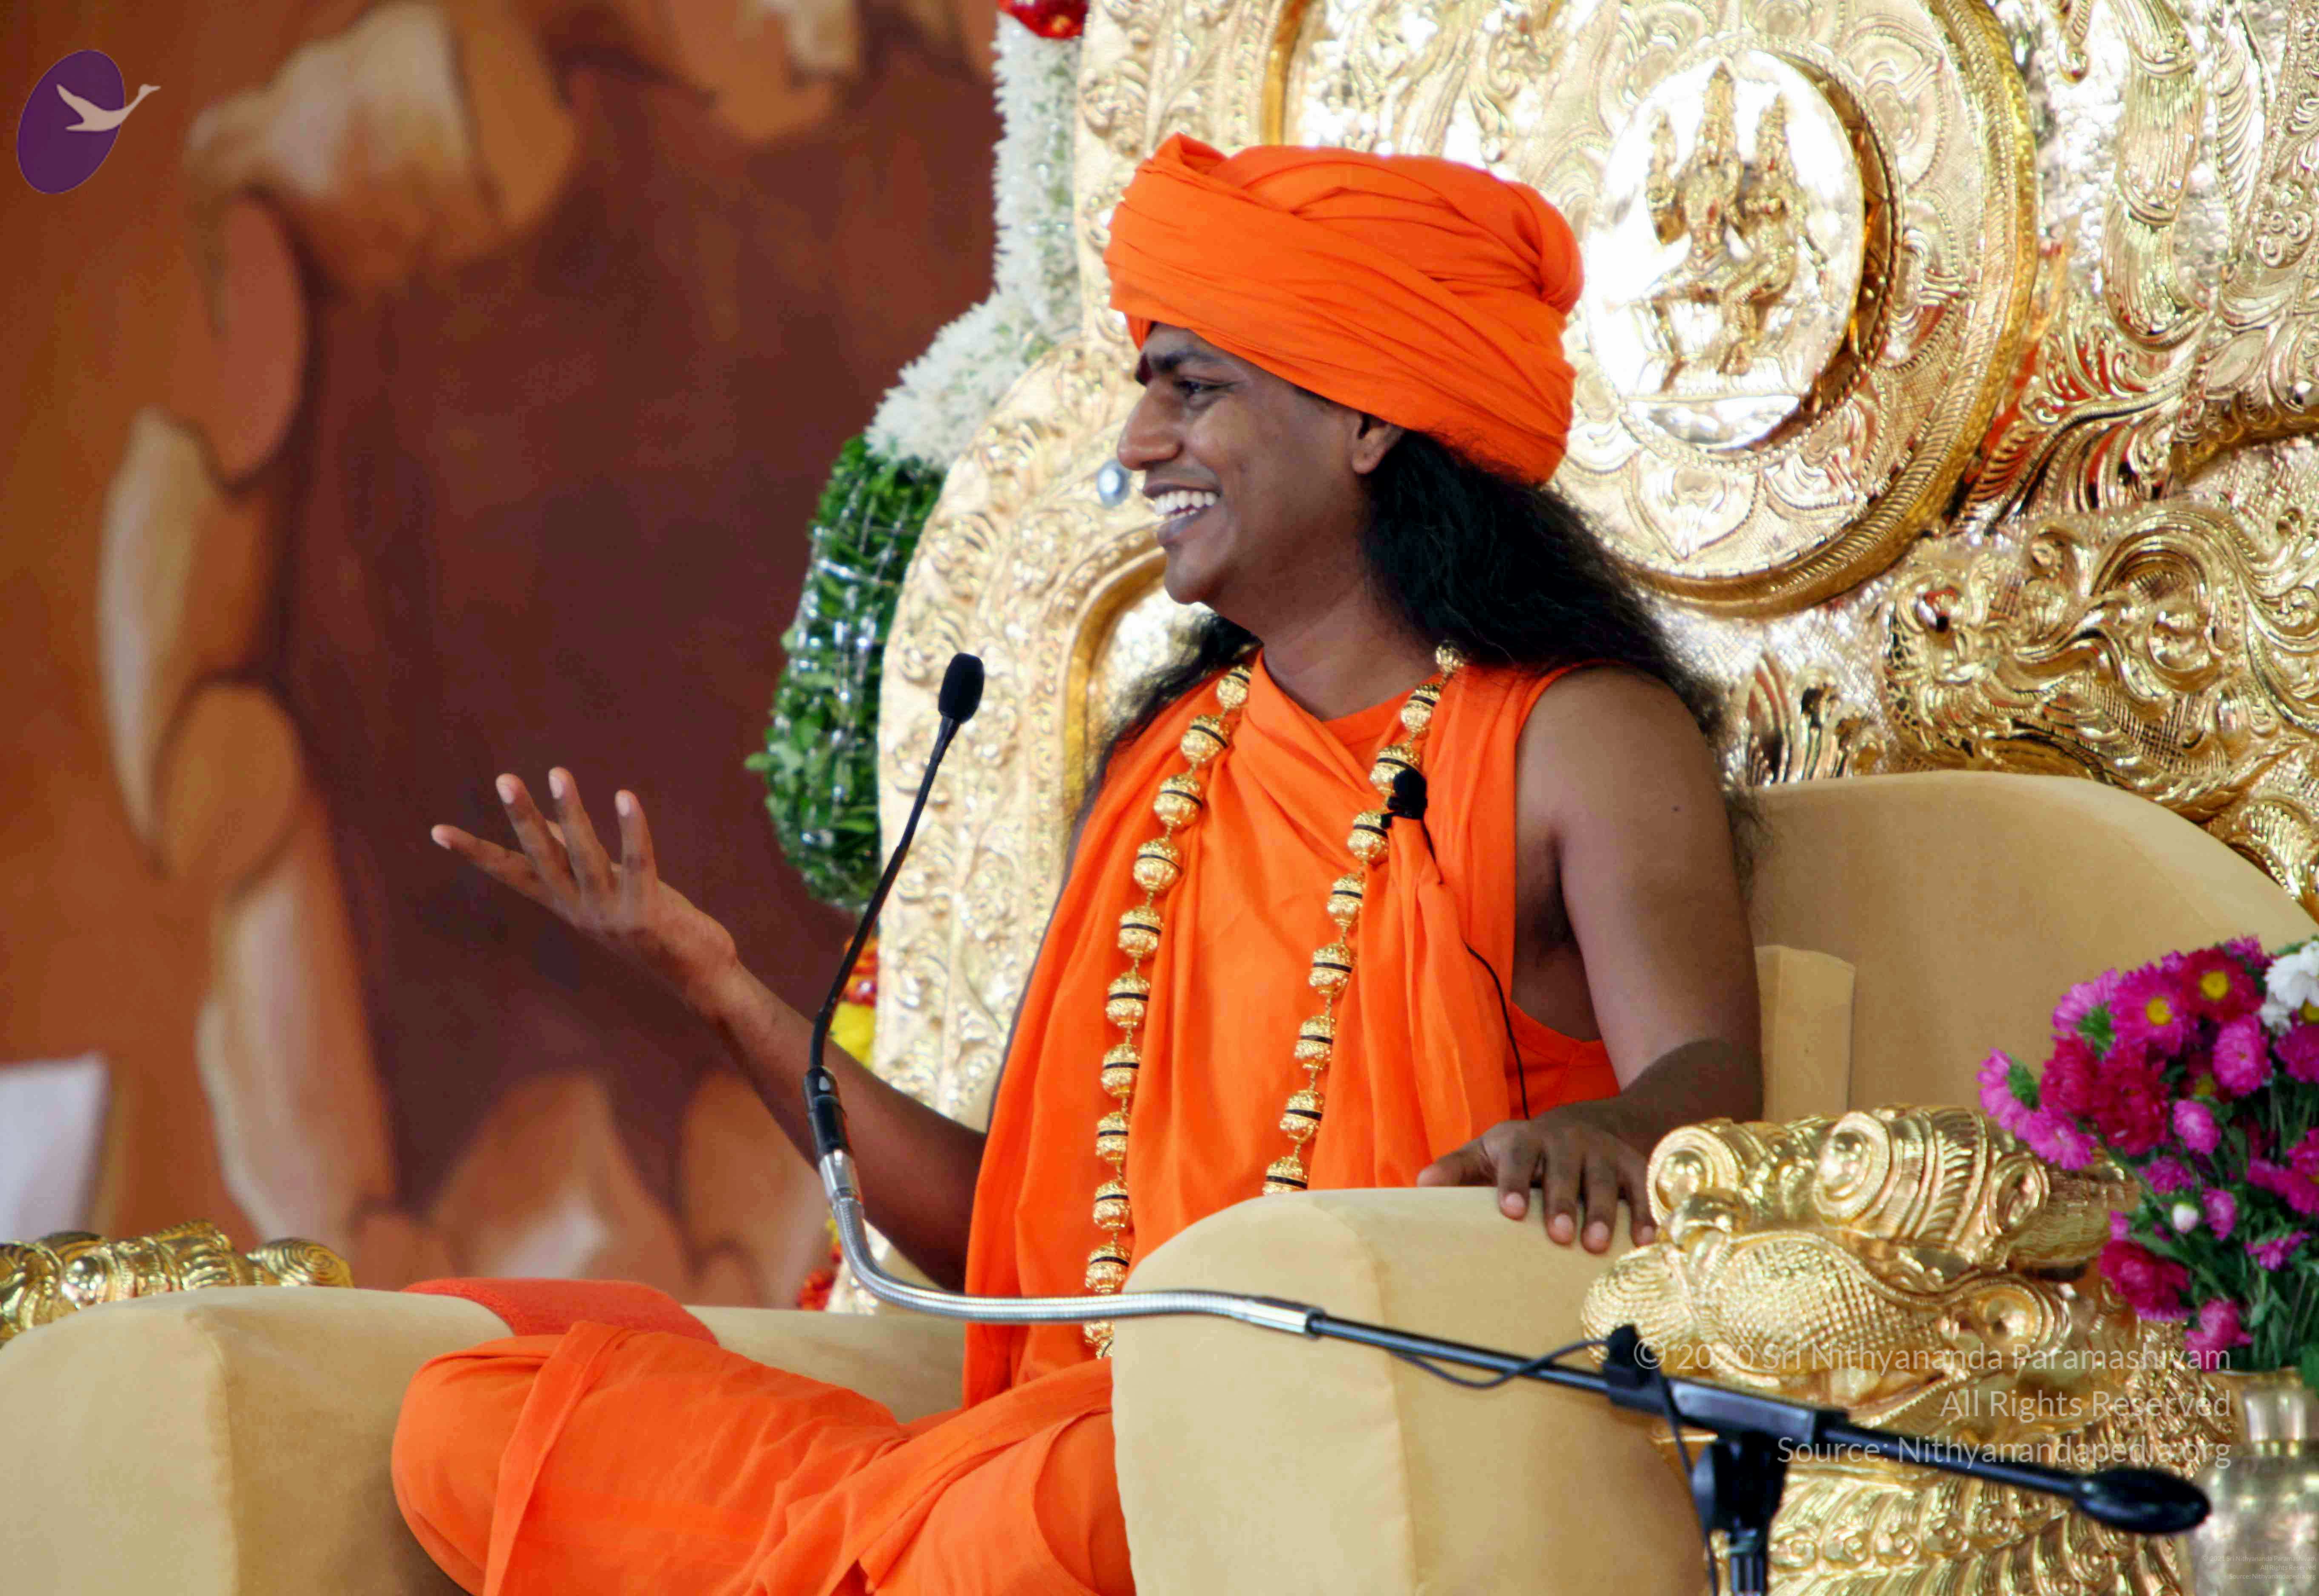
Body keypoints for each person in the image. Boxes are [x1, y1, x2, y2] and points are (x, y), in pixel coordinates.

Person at [391, 134, 1763, 1596]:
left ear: (1368, 419)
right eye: (1144, 387)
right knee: (465, 1423)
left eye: (1193, 388)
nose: (1137, 441)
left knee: (1024, 1517)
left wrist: (1617, 1129)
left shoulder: (1576, 738)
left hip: (1345, 1458)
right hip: (1061, 1463)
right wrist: (717, 988)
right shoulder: (1167, 769)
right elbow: (1006, 1239)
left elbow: (1718, 1082)